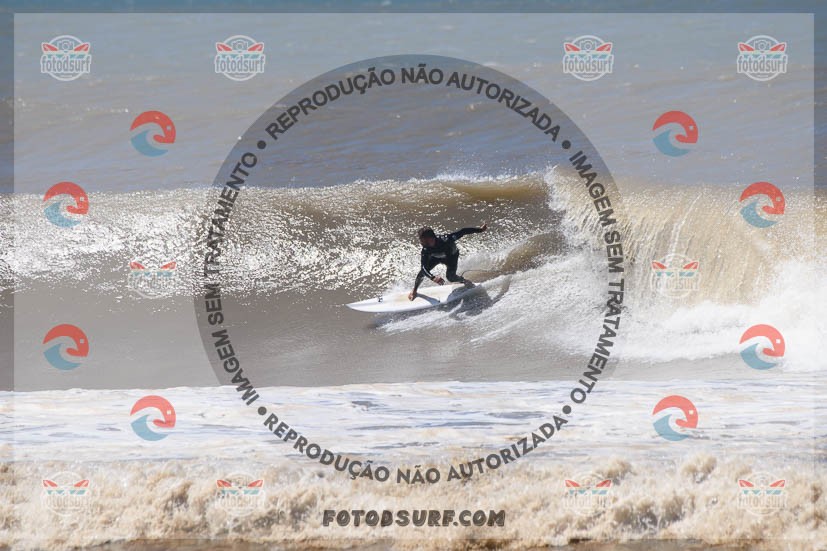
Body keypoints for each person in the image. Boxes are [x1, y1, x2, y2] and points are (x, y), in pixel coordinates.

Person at [408, 222, 487, 301]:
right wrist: (433, 277)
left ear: (432, 238)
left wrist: (480, 230)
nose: (422, 244)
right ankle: (414, 290)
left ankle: (464, 281)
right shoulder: (426, 250)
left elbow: (463, 231)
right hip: (436, 258)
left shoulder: (446, 239)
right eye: (421, 241)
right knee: (421, 273)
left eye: (424, 241)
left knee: (451, 278)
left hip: (451, 258)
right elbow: (423, 268)